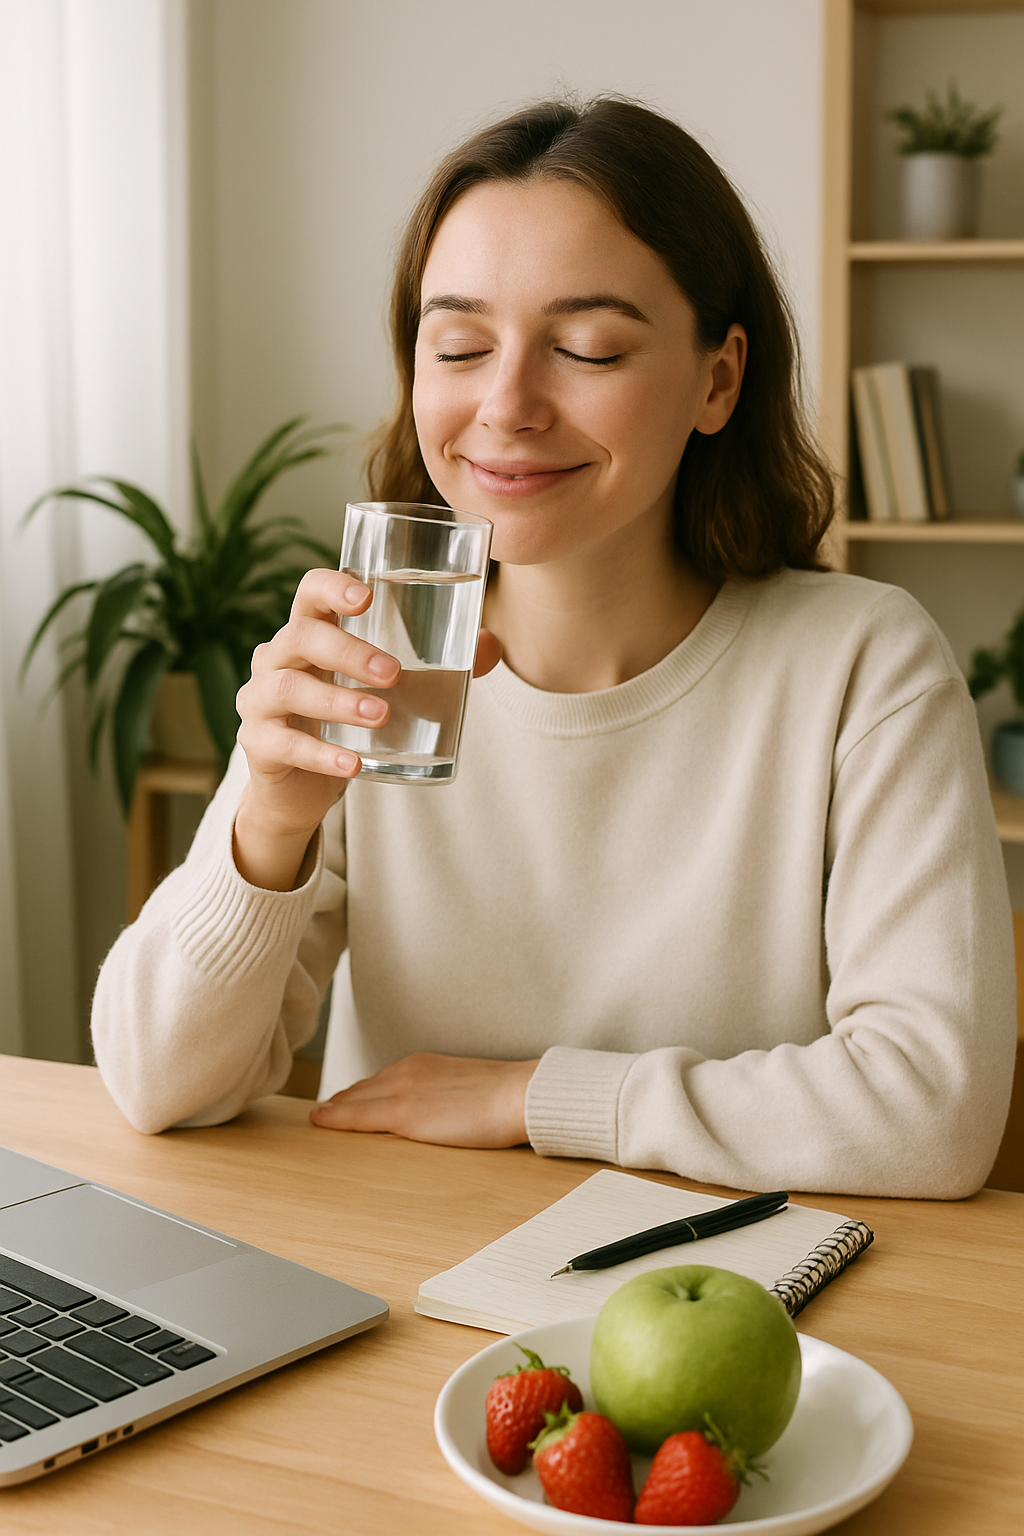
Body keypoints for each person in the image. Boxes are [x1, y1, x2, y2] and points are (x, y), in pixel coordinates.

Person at [92, 96, 1016, 1198]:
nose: (507, 403)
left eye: (585, 347)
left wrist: (532, 1096)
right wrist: (270, 826)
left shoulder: (861, 667)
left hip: (732, 1301)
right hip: (394, 1287)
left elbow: (931, 1114)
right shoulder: (370, 658)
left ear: (718, 379)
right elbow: (157, 1084)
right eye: (459, 345)